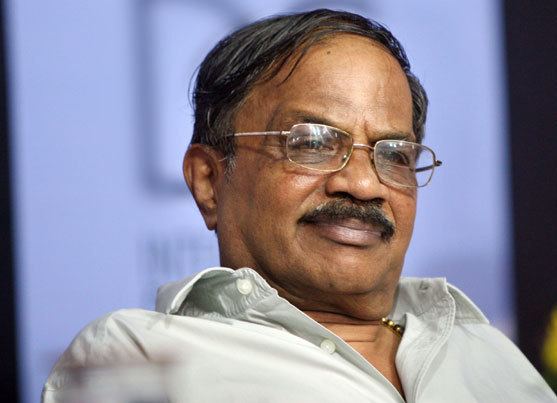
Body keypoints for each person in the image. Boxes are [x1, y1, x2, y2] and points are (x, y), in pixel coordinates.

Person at [43, 9, 556, 402]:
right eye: (311, 143)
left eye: (394, 154)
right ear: (208, 179)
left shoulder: (485, 350)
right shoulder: (137, 356)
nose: (362, 183)